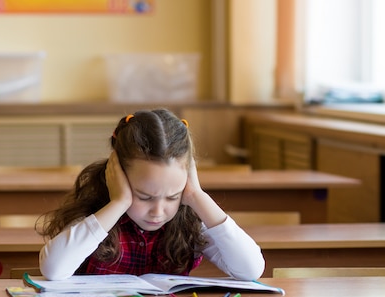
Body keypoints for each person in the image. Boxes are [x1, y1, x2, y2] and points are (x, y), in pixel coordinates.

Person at [38, 108, 265, 281]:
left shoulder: (189, 221)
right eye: (144, 197)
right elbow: (53, 270)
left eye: (173, 196)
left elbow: (251, 270)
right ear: (119, 178)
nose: (158, 211)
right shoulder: (96, 216)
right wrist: (119, 202)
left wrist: (197, 196)